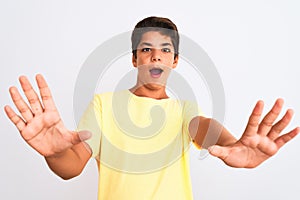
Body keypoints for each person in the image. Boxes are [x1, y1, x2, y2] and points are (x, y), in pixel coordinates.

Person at [4, 16, 299, 200]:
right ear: (135, 60)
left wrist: (234, 144)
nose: (156, 57)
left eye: (165, 50)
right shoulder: (105, 105)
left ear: (175, 61)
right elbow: (71, 167)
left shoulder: (185, 111)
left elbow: (203, 126)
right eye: (147, 49)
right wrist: (54, 153)